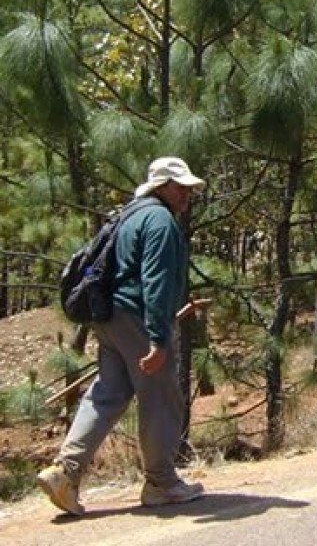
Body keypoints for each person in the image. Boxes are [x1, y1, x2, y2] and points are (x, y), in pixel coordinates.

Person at [37, 156, 207, 515]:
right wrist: (159, 338)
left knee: (108, 393)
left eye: (189, 189)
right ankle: (162, 483)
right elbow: (155, 281)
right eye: (180, 187)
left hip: (110, 318)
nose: (186, 195)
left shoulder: (130, 213)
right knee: (161, 394)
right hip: (137, 318)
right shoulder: (160, 220)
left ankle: (65, 473)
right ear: (161, 185)